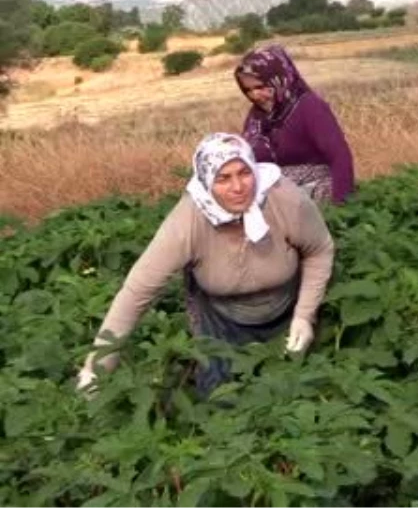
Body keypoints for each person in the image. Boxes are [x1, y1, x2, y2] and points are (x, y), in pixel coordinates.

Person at [76, 133, 336, 398]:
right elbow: (137, 293)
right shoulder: (188, 221)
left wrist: (305, 316)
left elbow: (320, 250)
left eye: (244, 173)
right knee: (221, 400)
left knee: (295, 392)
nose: (238, 187)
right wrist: (96, 368)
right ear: (206, 182)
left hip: (287, 310)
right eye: (223, 178)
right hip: (221, 321)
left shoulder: (284, 199)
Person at [234, 44, 356, 204]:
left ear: (279, 79)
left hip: (315, 186)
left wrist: (342, 203)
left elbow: (339, 156)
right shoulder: (258, 116)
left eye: (260, 87)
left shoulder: (309, 107)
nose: (255, 95)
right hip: (274, 189)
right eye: (247, 90)